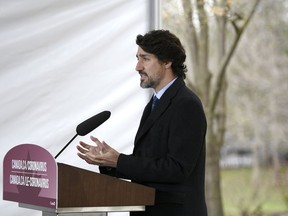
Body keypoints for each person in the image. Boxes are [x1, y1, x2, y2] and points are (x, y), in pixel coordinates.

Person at [77, 29, 207, 216]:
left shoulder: (186, 104)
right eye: (137, 58)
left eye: (145, 59)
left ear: (167, 61)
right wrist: (110, 162)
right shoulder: (154, 104)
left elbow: (176, 169)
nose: (137, 67)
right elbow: (149, 164)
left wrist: (120, 161)